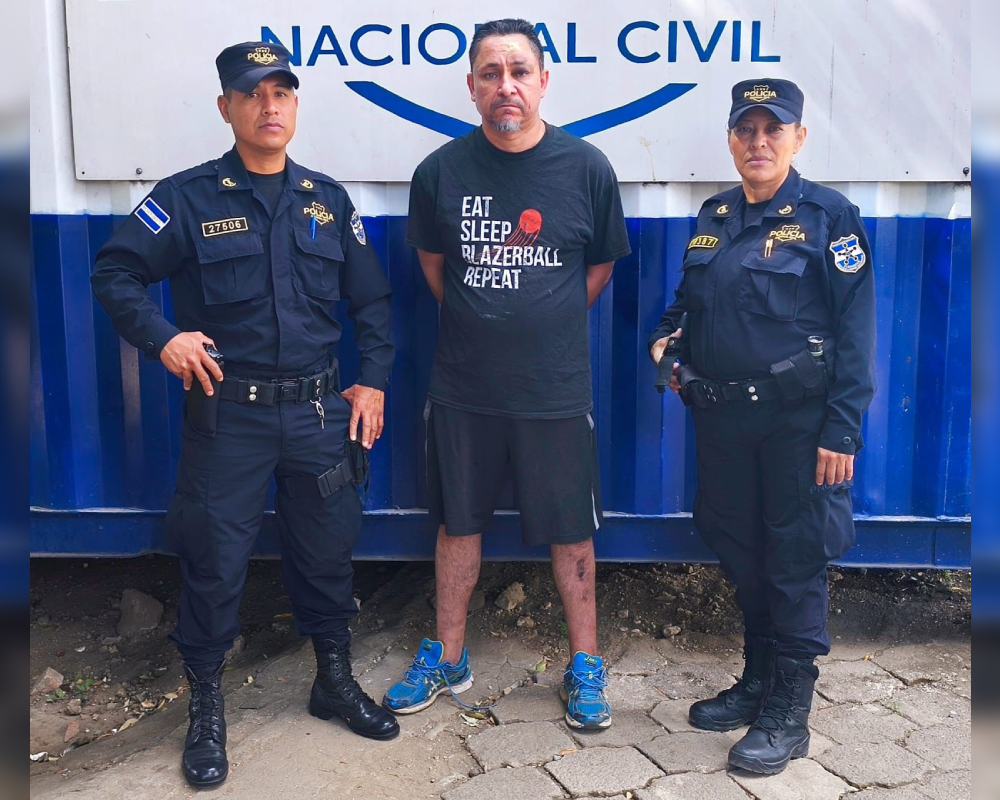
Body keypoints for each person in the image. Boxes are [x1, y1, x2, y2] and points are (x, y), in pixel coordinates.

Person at [90, 41, 399, 788]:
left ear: (296, 105)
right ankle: (206, 707)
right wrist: (162, 336)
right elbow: (115, 271)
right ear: (227, 107)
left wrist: (374, 382)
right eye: (254, 94)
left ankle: (333, 680)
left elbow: (373, 302)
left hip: (320, 415)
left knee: (328, 552)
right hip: (229, 419)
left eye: (283, 92)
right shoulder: (190, 197)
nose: (271, 106)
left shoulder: (327, 199)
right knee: (215, 561)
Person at [381, 18, 631, 730]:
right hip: (463, 385)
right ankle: (449, 654)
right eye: (490, 73)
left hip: (553, 387)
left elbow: (601, 266)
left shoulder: (586, 168)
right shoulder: (439, 173)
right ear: (471, 87)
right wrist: (487, 317)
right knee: (457, 524)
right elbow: (435, 270)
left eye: (520, 71)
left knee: (570, 532)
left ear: (544, 81)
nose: (506, 86)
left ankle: (585, 665)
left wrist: (538, 320)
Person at [648, 78, 876, 774]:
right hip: (722, 423)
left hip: (797, 428)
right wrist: (668, 346)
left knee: (794, 559)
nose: (758, 142)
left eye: (772, 129)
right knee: (739, 549)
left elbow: (855, 331)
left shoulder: (829, 218)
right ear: (730, 139)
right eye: (745, 130)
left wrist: (842, 430)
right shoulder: (713, 216)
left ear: (798, 138)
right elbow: (685, 306)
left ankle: (789, 710)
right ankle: (756, 680)